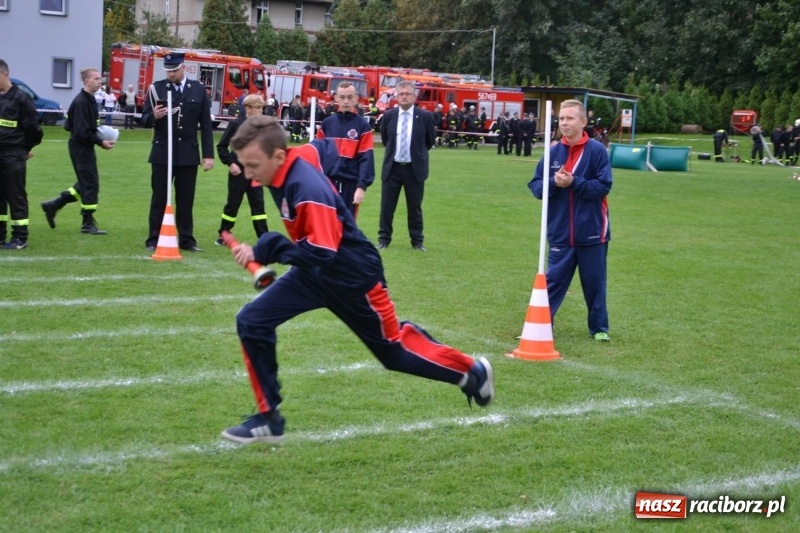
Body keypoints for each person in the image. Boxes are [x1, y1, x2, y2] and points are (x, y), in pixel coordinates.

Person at [219, 114, 494, 444]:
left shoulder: (306, 190)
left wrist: (271, 247)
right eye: (243, 165)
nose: (248, 175)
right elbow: (326, 148)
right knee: (252, 320)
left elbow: (323, 252)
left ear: (279, 156)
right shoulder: (299, 155)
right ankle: (269, 419)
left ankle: (471, 372)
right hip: (315, 272)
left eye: (253, 165)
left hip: (353, 278)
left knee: (394, 353)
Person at [528, 99, 612, 341]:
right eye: (561, 119)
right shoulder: (551, 152)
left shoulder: (597, 151)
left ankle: (599, 329)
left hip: (593, 231)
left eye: (569, 118)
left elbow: (604, 186)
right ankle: (542, 324)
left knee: (595, 284)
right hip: (560, 231)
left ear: (583, 122)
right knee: (552, 282)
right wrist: (554, 183)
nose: (564, 123)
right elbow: (536, 187)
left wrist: (574, 182)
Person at [139, 52, 214, 252]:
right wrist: (153, 116)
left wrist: (208, 155)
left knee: (186, 199)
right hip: (163, 152)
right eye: (168, 71)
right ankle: (154, 239)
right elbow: (143, 119)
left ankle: (187, 240)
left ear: (184, 68)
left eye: (175, 70)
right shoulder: (156, 89)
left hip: (188, 154)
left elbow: (206, 125)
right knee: (160, 198)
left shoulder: (198, 90)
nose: (171, 74)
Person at [41, 68, 115, 235]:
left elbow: (81, 127)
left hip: (83, 146)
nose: (99, 81)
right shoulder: (82, 102)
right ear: (86, 81)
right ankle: (87, 223)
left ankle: (53, 205)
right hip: (80, 147)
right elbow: (81, 132)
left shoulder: (89, 99)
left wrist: (102, 134)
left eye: (100, 79)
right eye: (96, 79)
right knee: (90, 183)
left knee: (85, 182)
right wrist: (100, 141)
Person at [377, 81, 436, 251]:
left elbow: (429, 141)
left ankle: (417, 241)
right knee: (387, 207)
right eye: (401, 93)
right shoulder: (389, 116)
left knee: (414, 207)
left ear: (414, 96)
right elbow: (386, 140)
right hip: (392, 168)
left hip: (414, 169)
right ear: (396, 96)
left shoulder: (425, 116)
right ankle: (384, 239)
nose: (404, 96)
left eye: (407, 93)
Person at [214, 94, 269, 245]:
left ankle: (263, 237)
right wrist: (231, 164)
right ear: (247, 108)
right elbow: (221, 146)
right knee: (232, 205)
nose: (261, 111)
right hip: (238, 173)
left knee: (258, 206)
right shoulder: (235, 124)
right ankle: (224, 234)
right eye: (258, 108)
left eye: (262, 108)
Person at [0, 59, 43, 250]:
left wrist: (25, 148)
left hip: (13, 154)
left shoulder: (21, 98)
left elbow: (33, 128)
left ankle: (20, 238)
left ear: (5, 74)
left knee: (15, 195)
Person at [316, 81, 375, 220]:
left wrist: (361, 186)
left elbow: (366, 158)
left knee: (348, 226)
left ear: (356, 98)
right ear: (336, 98)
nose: (346, 101)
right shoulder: (327, 124)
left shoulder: (363, 126)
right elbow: (317, 155)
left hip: (350, 184)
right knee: (326, 223)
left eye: (350, 97)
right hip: (328, 183)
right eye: (342, 97)